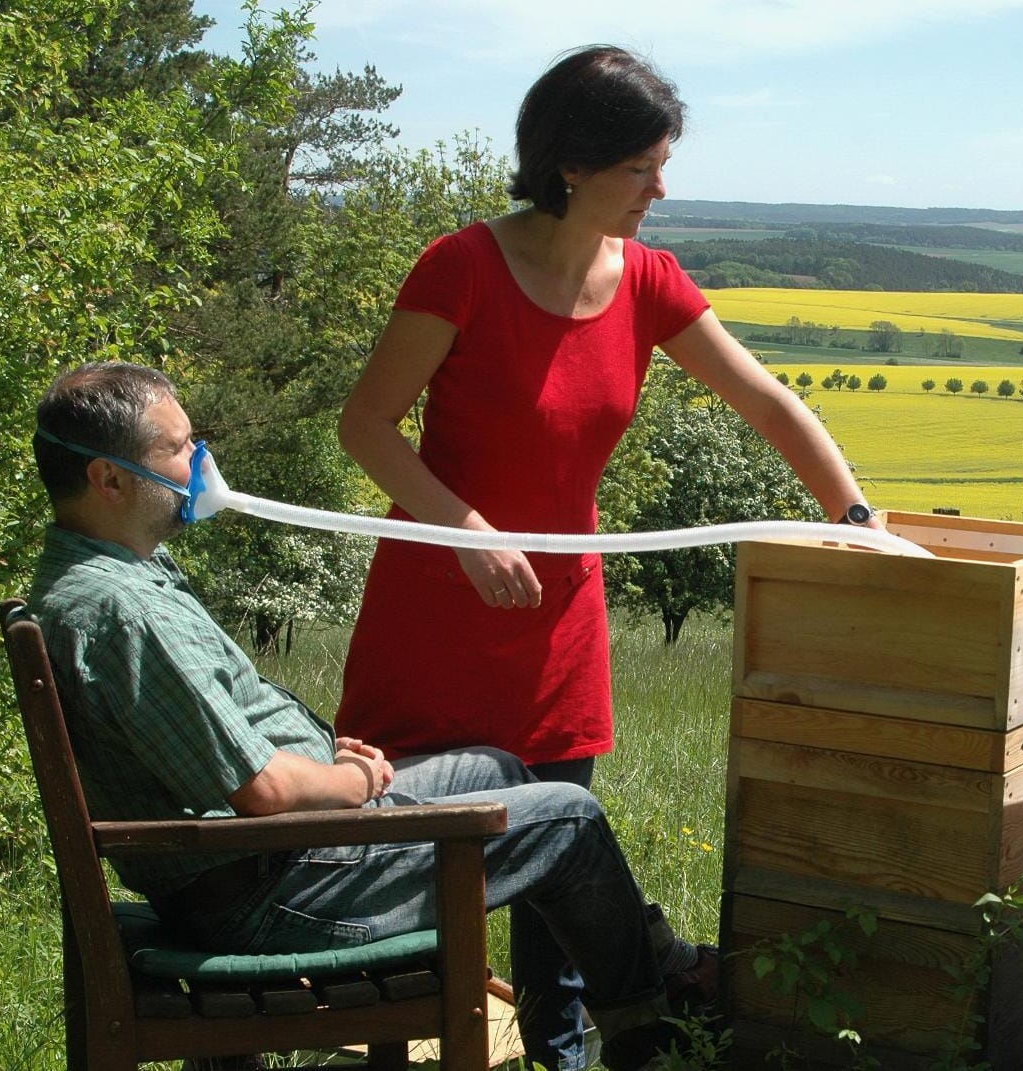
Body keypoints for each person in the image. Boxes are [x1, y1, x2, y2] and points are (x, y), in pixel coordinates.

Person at [333, 44, 875, 1067]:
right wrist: (464, 529)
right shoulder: (461, 267)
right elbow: (365, 426)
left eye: (662, 166)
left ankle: (566, 1053)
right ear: (570, 162)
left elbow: (768, 403)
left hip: (560, 619)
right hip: (436, 608)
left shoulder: (652, 281)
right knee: (404, 854)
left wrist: (855, 518)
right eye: (641, 169)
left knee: (556, 854)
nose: (660, 191)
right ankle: (393, 1037)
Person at [25, 362, 713, 1071]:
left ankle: (630, 991)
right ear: (108, 480)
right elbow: (259, 790)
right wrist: (348, 782)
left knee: (496, 768)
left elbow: (213, 749)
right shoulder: (118, 610)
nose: (199, 460)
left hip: (268, 858)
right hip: (279, 888)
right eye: (177, 447)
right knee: (567, 817)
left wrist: (323, 758)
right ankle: (652, 1040)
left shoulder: (116, 575)